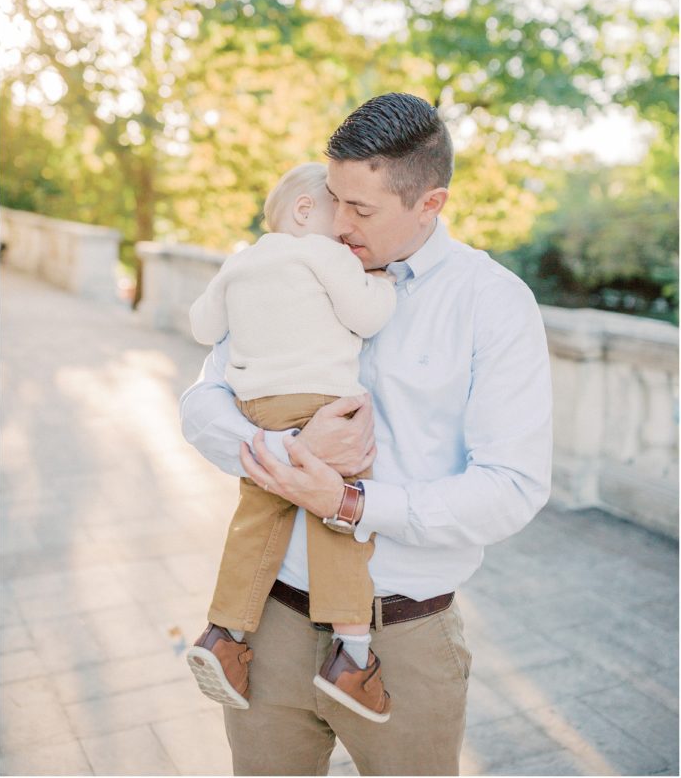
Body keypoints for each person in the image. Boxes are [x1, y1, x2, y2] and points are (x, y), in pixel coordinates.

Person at [180, 92, 553, 777]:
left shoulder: (492, 304)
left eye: (361, 209)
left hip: (402, 643)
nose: (338, 221)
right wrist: (287, 456)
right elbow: (203, 404)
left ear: (429, 204)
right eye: (333, 197)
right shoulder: (297, 257)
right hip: (270, 628)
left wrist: (350, 503)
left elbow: (513, 488)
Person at [185, 163, 397, 723]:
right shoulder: (321, 253)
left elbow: (203, 327)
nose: (348, 230)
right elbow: (369, 317)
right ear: (306, 211)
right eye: (340, 213)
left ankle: (223, 635)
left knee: (257, 515)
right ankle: (351, 657)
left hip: (256, 409)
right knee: (337, 515)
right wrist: (381, 283)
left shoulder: (241, 263)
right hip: (319, 402)